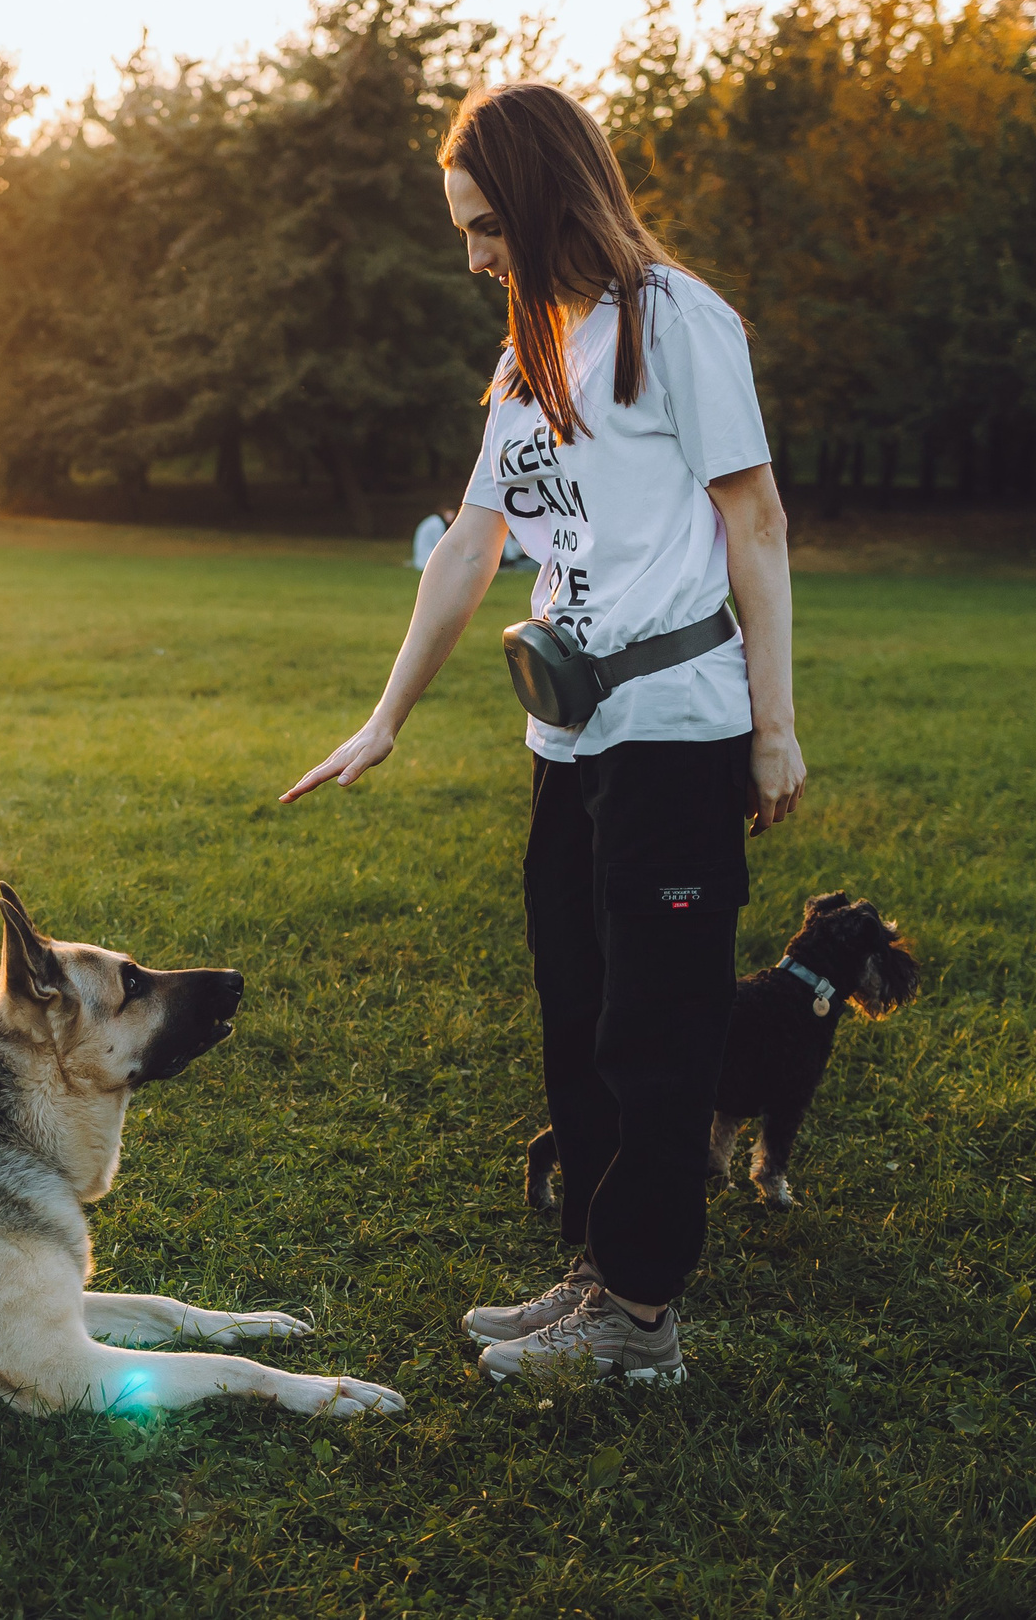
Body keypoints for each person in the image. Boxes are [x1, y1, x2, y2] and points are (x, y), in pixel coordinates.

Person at [279, 82, 806, 1385]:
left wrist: (776, 731)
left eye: (485, 226)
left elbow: (759, 521)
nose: (472, 257)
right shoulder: (530, 355)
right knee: (578, 1013)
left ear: (541, 195)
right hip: (567, 738)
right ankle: (593, 1272)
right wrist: (385, 717)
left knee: (657, 1027)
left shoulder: (676, 321)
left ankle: (639, 1324)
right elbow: (473, 541)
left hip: (677, 729)